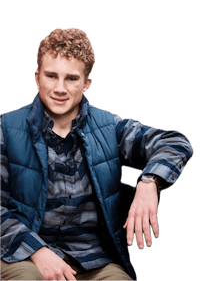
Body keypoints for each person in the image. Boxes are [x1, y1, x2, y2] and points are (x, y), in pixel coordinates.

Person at [0, 28, 193, 281]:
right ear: (37, 77)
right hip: (23, 253)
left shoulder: (109, 127)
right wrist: (38, 251)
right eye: (51, 76)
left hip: (92, 258)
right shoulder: (6, 129)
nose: (59, 88)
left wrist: (149, 182)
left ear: (86, 83)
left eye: (71, 78)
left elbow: (175, 142)